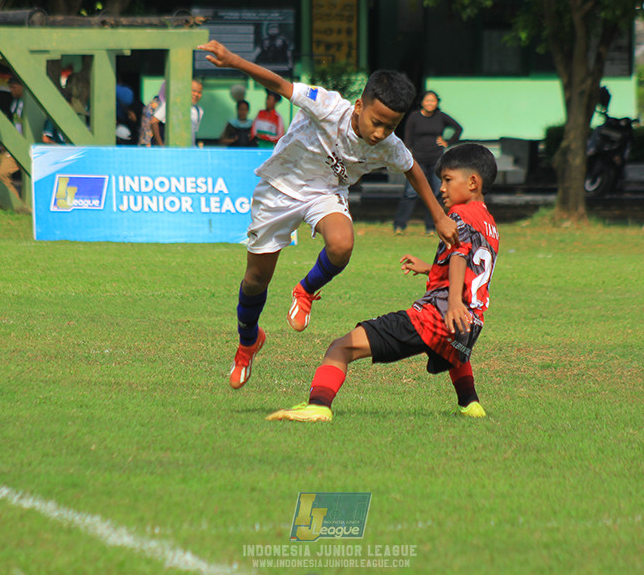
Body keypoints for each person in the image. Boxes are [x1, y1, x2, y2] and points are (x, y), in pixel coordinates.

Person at [196, 39, 459, 390]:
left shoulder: (389, 145)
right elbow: (279, 84)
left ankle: (305, 291)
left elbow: (412, 168)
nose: (380, 133)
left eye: (390, 127)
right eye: (376, 122)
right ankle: (248, 342)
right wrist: (233, 60)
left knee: (342, 244)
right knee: (255, 280)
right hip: (279, 188)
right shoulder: (328, 106)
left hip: (325, 194)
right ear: (359, 104)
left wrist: (440, 216)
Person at [267, 144, 499, 422]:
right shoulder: (489, 224)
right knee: (452, 350)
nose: (442, 189)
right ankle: (471, 405)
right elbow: (474, 265)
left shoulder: (459, 215)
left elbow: (461, 255)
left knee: (340, 347)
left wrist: (451, 304)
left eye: (448, 180)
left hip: (437, 316)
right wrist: (430, 269)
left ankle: (318, 405)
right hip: (471, 323)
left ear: (473, 182)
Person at [393, 90, 463, 235]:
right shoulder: (414, 117)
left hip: (436, 159)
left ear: (437, 102)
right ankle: (399, 225)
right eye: (427, 100)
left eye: (433, 101)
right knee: (410, 192)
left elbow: (458, 128)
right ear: (422, 102)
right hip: (418, 159)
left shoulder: (441, 116)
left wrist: (447, 142)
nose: (430, 103)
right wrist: (407, 154)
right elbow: (408, 138)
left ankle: (431, 227)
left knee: (436, 193)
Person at [0, 77, 30, 211]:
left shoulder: (30, 103)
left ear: (22, 87)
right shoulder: (15, 103)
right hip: (14, 146)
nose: (11, 91)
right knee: (2, 173)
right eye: (10, 87)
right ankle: (18, 206)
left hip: (28, 146)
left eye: (14, 88)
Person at [141, 79, 205, 147]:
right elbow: (154, 122)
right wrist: (161, 146)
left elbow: (193, 133)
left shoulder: (199, 111)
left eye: (199, 92)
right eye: (193, 91)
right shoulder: (171, 104)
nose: (196, 94)